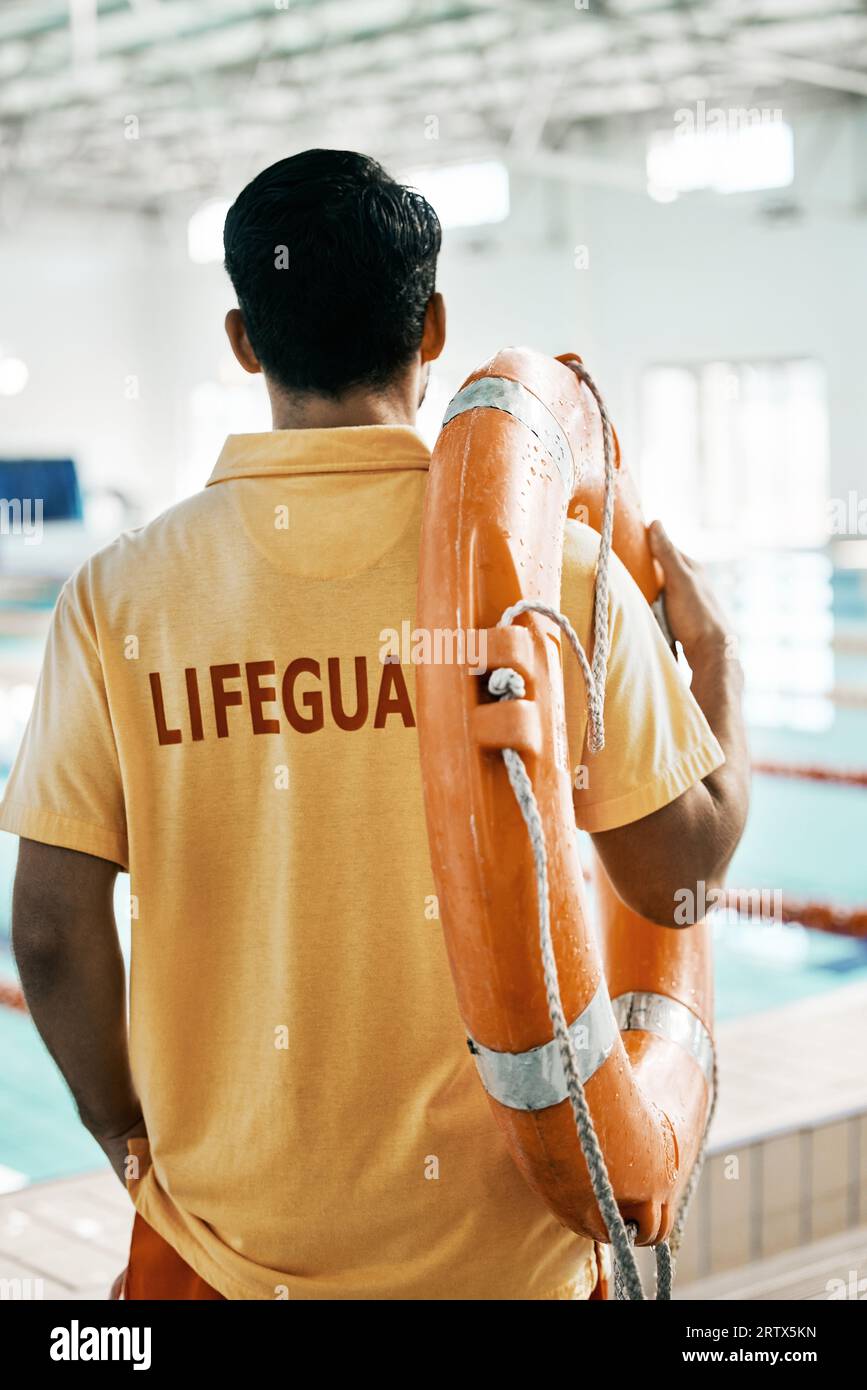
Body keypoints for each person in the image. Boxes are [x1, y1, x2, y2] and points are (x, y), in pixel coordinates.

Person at [2, 149, 749, 1301]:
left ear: (244, 339)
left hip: (225, 1257)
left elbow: (48, 934)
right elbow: (679, 875)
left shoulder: (119, 596)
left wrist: (125, 1137)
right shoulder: (563, 577)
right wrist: (722, 671)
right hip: (511, 1265)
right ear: (434, 324)